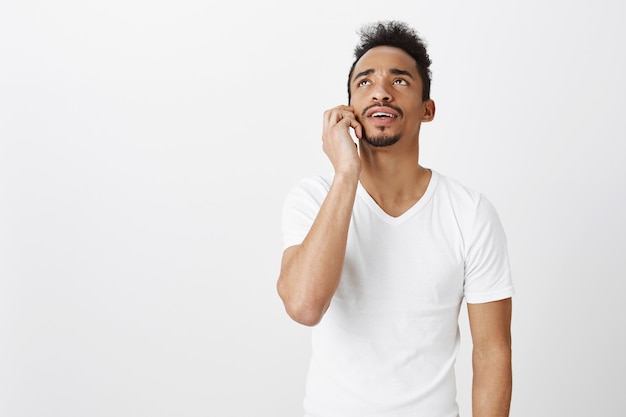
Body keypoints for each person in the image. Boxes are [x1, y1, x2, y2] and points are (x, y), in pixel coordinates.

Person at [277, 20, 514, 417]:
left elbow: (492, 351)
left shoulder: (470, 213)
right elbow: (304, 306)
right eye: (365, 82)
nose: (381, 92)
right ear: (349, 107)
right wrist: (346, 173)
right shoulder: (314, 197)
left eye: (400, 81)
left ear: (427, 109)